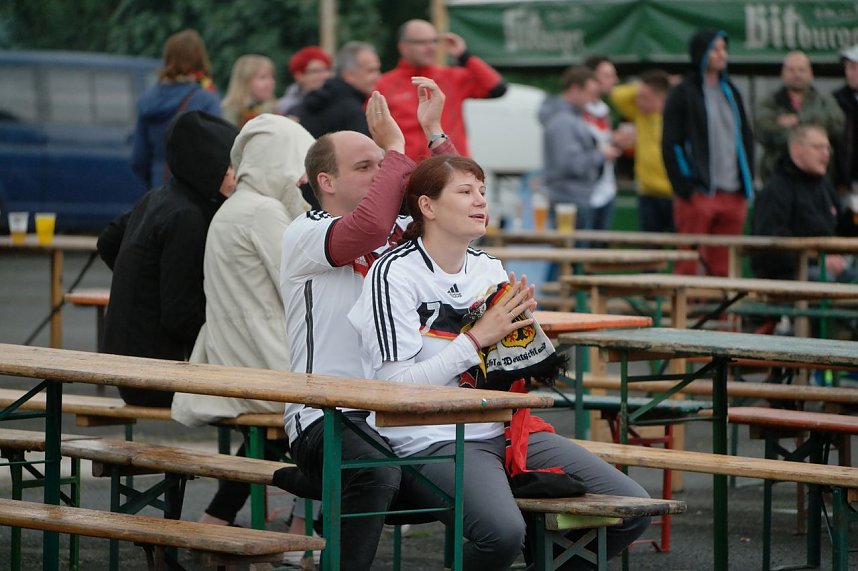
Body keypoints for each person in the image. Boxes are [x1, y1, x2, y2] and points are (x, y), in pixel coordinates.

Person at [347, 154, 650, 570]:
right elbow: (397, 391)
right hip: (430, 439)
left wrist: (524, 337)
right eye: (466, 192)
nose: (481, 202)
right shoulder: (393, 274)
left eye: (483, 192)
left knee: (634, 507)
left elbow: (514, 370)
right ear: (427, 207)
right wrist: (477, 338)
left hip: (504, 428)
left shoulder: (489, 269)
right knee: (503, 535)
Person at [280, 78, 454, 570]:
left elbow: (455, 205)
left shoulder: (402, 230)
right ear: (326, 182)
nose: (385, 174)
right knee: (377, 473)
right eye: (366, 166)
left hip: (396, 409)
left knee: (475, 471)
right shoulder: (304, 232)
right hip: (323, 413)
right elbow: (368, 228)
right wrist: (396, 147)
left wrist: (435, 132)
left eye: (384, 166)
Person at [169, 114, 316, 534]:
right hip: (267, 356)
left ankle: (221, 520)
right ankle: (300, 528)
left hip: (237, 353)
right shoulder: (263, 212)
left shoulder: (236, 207)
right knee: (329, 425)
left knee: (281, 436)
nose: (301, 179)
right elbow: (299, 282)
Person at [98, 111, 238, 406]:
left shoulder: (159, 197)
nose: (235, 175)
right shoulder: (187, 217)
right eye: (228, 165)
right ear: (206, 166)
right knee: (251, 394)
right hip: (153, 372)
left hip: (123, 358)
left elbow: (108, 240)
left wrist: (140, 285)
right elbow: (180, 315)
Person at [662, 29, 754, 277]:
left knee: (724, 268)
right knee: (689, 264)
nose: (721, 54)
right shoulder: (682, 92)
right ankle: (684, 316)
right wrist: (686, 187)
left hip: (734, 193)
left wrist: (747, 184)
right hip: (699, 194)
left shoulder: (732, 91)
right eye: (715, 49)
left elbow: (745, 137)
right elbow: (671, 143)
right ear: (701, 53)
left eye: (724, 49)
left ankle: (723, 317)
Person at [376, 18, 507, 160]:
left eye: (434, 41)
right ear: (403, 47)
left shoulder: (452, 77)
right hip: (408, 174)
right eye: (422, 42)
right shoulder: (384, 84)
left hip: (452, 170)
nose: (431, 47)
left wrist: (464, 55)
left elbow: (498, 88)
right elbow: (373, 129)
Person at [752, 124, 857, 281]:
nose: (825, 154)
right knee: (825, 280)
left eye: (828, 148)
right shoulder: (776, 189)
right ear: (796, 150)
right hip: (789, 274)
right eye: (818, 147)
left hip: (830, 268)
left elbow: (841, 227)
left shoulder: (824, 185)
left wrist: (854, 220)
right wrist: (818, 259)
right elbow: (771, 246)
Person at [131, 29, 221, 190]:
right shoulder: (207, 100)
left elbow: (139, 159)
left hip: (158, 189)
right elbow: (215, 154)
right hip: (194, 192)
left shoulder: (147, 99)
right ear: (201, 58)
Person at [540, 66, 622, 231]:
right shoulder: (563, 120)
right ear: (575, 89)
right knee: (570, 255)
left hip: (574, 197)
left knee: (574, 254)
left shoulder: (570, 117)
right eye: (589, 94)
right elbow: (569, 164)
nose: (592, 100)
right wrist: (600, 155)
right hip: (569, 200)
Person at [755, 51, 843, 183]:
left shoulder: (825, 102)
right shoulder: (769, 103)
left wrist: (798, 120)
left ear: (810, 73)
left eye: (801, 70)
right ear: (783, 73)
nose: (796, 74)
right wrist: (812, 131)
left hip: (818, 181)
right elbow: (762, 131)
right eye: (791, 70)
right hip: (777, 178)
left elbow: (837, 126)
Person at [610, 70, 674, 232]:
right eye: (639, 96)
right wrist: (642, 86)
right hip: (647, 193)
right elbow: (617, 94)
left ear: (661, 97)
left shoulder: (675, 115)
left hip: (674, 194)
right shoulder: (640, 115)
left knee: (682, 246)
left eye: (645, 97)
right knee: (650, 248)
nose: (638, 101)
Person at [583, 55, 632, 231]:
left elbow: (603, 141)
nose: (615, 80)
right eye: (607, 75)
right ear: (590, 78)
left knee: (600, 250)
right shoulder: (576, 109)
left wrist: (616, 140)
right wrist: (606, 147)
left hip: (607, 189)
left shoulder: (603, 109)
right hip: (584, 193)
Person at [298, 41, 380, 138]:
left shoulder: (313, 101)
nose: (378, 76)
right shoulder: (352, 110)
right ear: (349, 75)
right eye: (370, 71)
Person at [220, 54, 279, 129]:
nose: (270, 82)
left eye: (272, 77)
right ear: (244, 81)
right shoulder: (229, 111)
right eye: (263, 77)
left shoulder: (274, 108)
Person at [277, 46, 332, 118]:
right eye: (316, 71)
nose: (325, 75)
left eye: (326, 70)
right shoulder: (286, 106)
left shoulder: (336, 99)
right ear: (299, 76)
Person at [832, 44, 858, 193]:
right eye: (848, 68)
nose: (850, 73)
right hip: (844, 186)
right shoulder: (836, 100)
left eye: (854, 68)